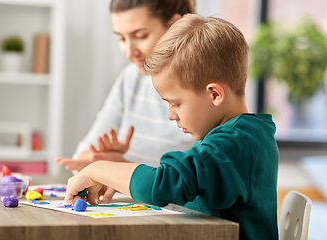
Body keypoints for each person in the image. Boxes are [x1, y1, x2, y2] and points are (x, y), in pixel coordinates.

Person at [65, 14, 279, 240]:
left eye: (176, 103)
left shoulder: (232, 143)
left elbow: (164, 184)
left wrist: (96, 169)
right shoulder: (241, 136)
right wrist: (118, 178)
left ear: (215, 94)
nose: (171, 115)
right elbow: (183, 189)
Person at [55, 0, 196, 171]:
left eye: (140, 36)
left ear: (174, 26)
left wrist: (119, 169)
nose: (129, 51)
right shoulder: (131, 78)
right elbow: (81, 156)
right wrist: (102, 157)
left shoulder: (201, 88)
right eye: (121, 38)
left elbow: (199, 181)